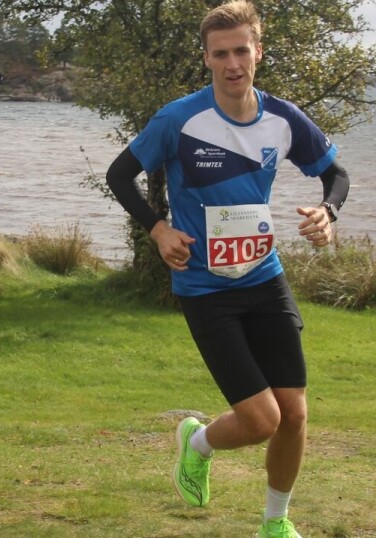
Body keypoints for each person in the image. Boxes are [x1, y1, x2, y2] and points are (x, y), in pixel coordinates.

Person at [105, 2, 350, 536]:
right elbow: (120, 174)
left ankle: (274, 524)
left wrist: (327, 212)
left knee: (296, 413)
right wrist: (158, 228)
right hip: (203, 287)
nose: (233, 63)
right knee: (264, 420)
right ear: (207, 59)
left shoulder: (283, 118)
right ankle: (197, 441)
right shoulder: (179, 119)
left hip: (264, 278)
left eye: (242, 50)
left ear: (258, 51)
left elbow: (335, 173)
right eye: (221, 54)